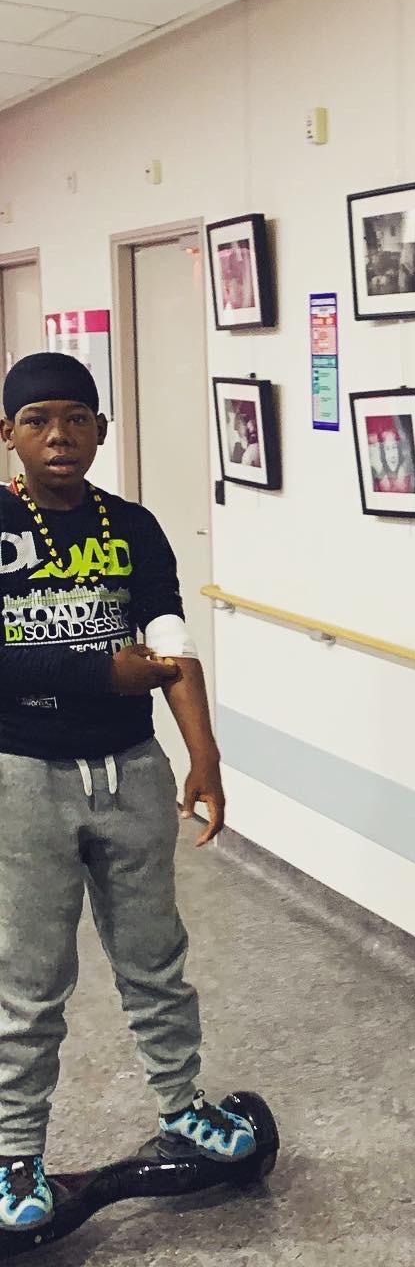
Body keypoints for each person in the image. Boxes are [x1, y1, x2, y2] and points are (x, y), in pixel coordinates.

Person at [0, 354, 256, 1234]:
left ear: (102, 430)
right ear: (9, 436)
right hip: (22, 776)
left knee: (155, 956)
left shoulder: (135, 526)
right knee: (30, 978)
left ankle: (182, 1106)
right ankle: (13, 1156)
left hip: (131, 771)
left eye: (76, 418)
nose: (60, 436)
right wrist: (93, 668)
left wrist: (205, 757)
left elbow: (171, 646)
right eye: (38, 420)